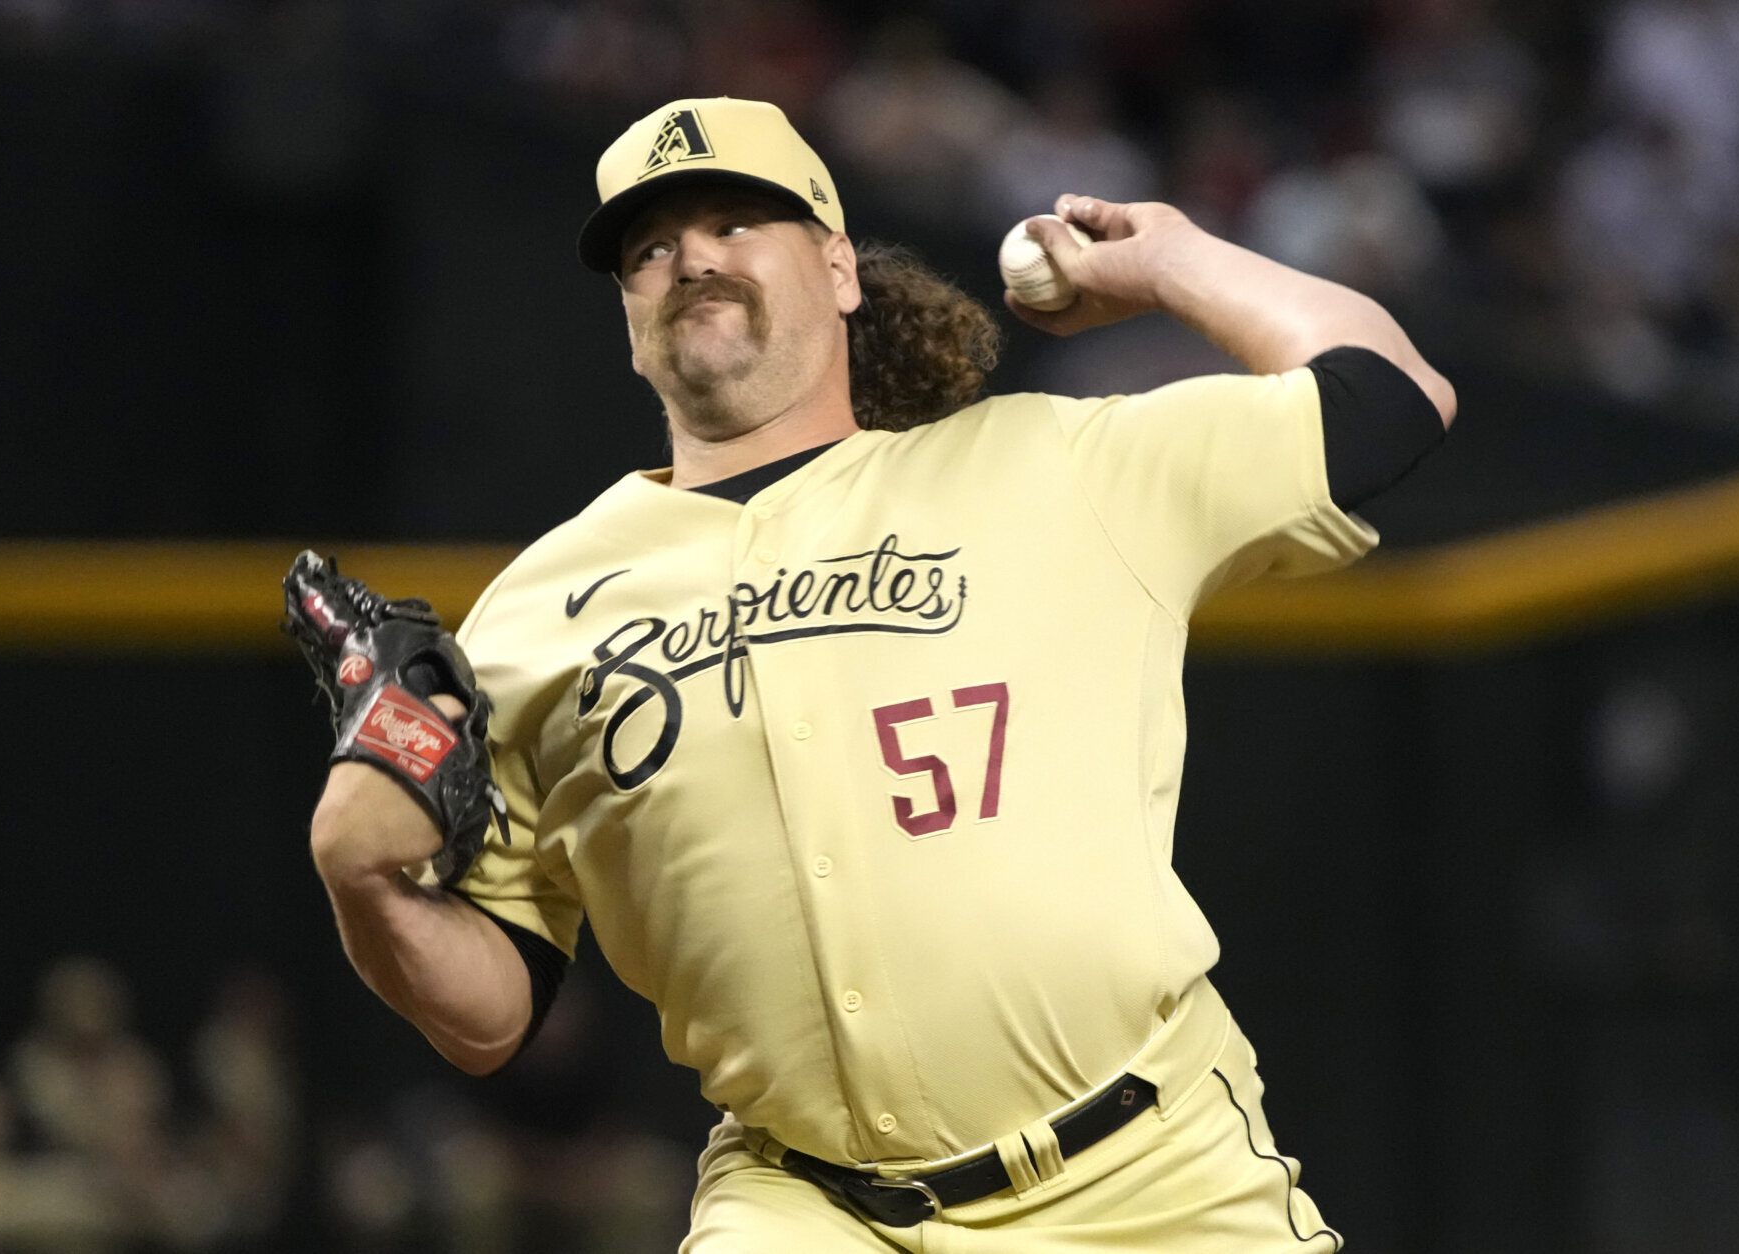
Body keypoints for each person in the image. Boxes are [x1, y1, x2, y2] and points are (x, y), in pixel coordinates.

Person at [306, 96, 1455, 1251]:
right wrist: (365, 884)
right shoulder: (532, 614)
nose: (690, 257)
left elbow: (1392, 394)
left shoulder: (1052, 464)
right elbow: (493, 1013)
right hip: (806, 1205)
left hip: (1145, 1179)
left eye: (735, 220)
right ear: (630, 321)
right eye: (648, 249)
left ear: (841, 269)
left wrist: (1174, 262)